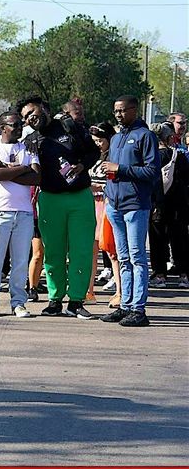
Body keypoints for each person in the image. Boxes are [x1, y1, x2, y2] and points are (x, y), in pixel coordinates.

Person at [19, 96, 99, 320]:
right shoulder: (31, 140)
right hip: (50, 199)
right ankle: (55, 300)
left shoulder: (69, 126)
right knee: (53, 252)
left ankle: (76, 301)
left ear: (43, 108)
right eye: (25, 117)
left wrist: (81, 165)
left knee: (81, 250)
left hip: (79, 197)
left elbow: (92, 151)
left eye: (32, 112)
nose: (29, 118)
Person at [96, 96, 160, 326]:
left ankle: (139, 309)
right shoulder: (115, 138)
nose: (119, 115)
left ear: (135, 110)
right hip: (114, 203)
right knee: (122, 257)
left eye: (123, 110)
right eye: (116, 111)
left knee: (137, 258)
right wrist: (110, 178)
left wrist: (120, 168)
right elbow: (114, 170)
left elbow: (152, 172)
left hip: (135, 205)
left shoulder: (145, 136)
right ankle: (125, 304)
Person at [0, 112, 39, 317]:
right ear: (2, 127)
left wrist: (9, 168)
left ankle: (19, 302)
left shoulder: (27, 147)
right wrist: (22, 168)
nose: (19, 128)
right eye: (14, 125)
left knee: (21, 260)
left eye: (20, 124)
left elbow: (36, 177)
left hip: (23, 212)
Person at [149, 121, 188, 290]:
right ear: (169, 137)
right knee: (180, 239)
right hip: (178, 205)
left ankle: (160, 275)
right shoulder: (178, 156)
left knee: (157, 240)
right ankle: (184, 275)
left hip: (157, 204)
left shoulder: (150, 157)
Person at [87, 123, 122, 308]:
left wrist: (99, 187)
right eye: (95, 141)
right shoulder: (92, 157)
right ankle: (89, 289)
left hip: (107, 204)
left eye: (101, 140)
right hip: (91, 204)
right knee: (90, 250)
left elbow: (116, 182)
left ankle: (120, 291)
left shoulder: (114, 157)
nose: (98, 144)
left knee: (112, 251)